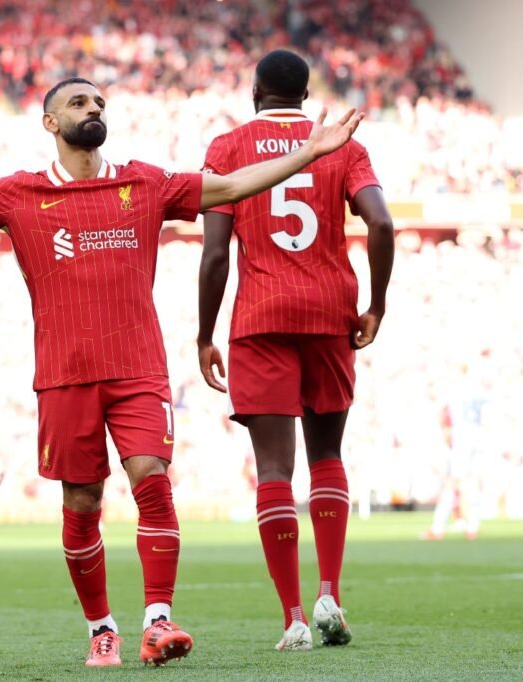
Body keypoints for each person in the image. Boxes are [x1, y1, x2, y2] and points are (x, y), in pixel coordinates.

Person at [0, 76, 362, 667]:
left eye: (99, 103)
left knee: (152, 478)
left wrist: (309, 153)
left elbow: (232, 186)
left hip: (139, 369)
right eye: (78, 103)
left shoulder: (144, 182)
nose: (93, 109)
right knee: (83, 502)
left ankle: (158, 621)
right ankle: (101, 629)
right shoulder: (20, 194)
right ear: (50, 123)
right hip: (64, 376)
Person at [197, 50, 395, 651]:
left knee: (274, 470)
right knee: (327, 453)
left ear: (255, 90)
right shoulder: (342, 145)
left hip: (261, 317)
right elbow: (382, 224)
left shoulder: (226, 148)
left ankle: (293, 619)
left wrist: (205, 334)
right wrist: (377, 304)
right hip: (329, 312)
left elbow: (215, 255)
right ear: (306, 94)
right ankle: (329, 592)